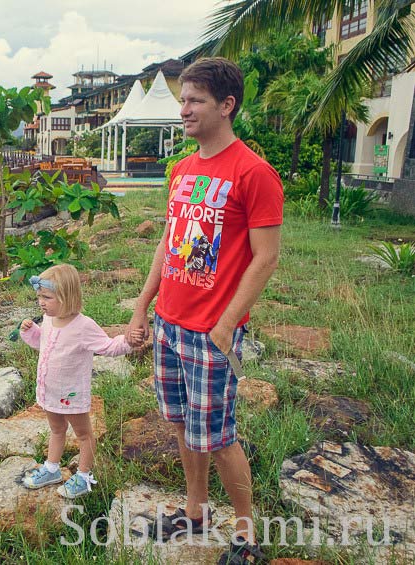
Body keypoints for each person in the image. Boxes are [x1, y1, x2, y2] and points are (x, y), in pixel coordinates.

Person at [126, 57, 282, 565]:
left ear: (226, 105)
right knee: (180, 424)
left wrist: (225, 324)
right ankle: (194, 511)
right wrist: (142, 306)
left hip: (212, 331)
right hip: (170, 324)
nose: (183, 108)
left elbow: (265, 258)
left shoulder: (254, 174)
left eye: (194, 100)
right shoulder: (182, 170)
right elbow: (169, 244)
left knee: (218, 436)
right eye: (182, 99)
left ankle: (246, 535)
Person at [19, 264, 140, 499]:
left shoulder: (83, 326)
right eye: (39, 297)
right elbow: (42, 345)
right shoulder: (49, 319)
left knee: (84, 434)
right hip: (49, 391)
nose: (41, 302)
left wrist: (128, 342)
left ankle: (83, 476)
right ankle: (52, 468)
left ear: (66, 297)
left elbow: (107, 347)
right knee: (56, 429)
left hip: (70, 392)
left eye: (47, 297)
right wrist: (31, 331)